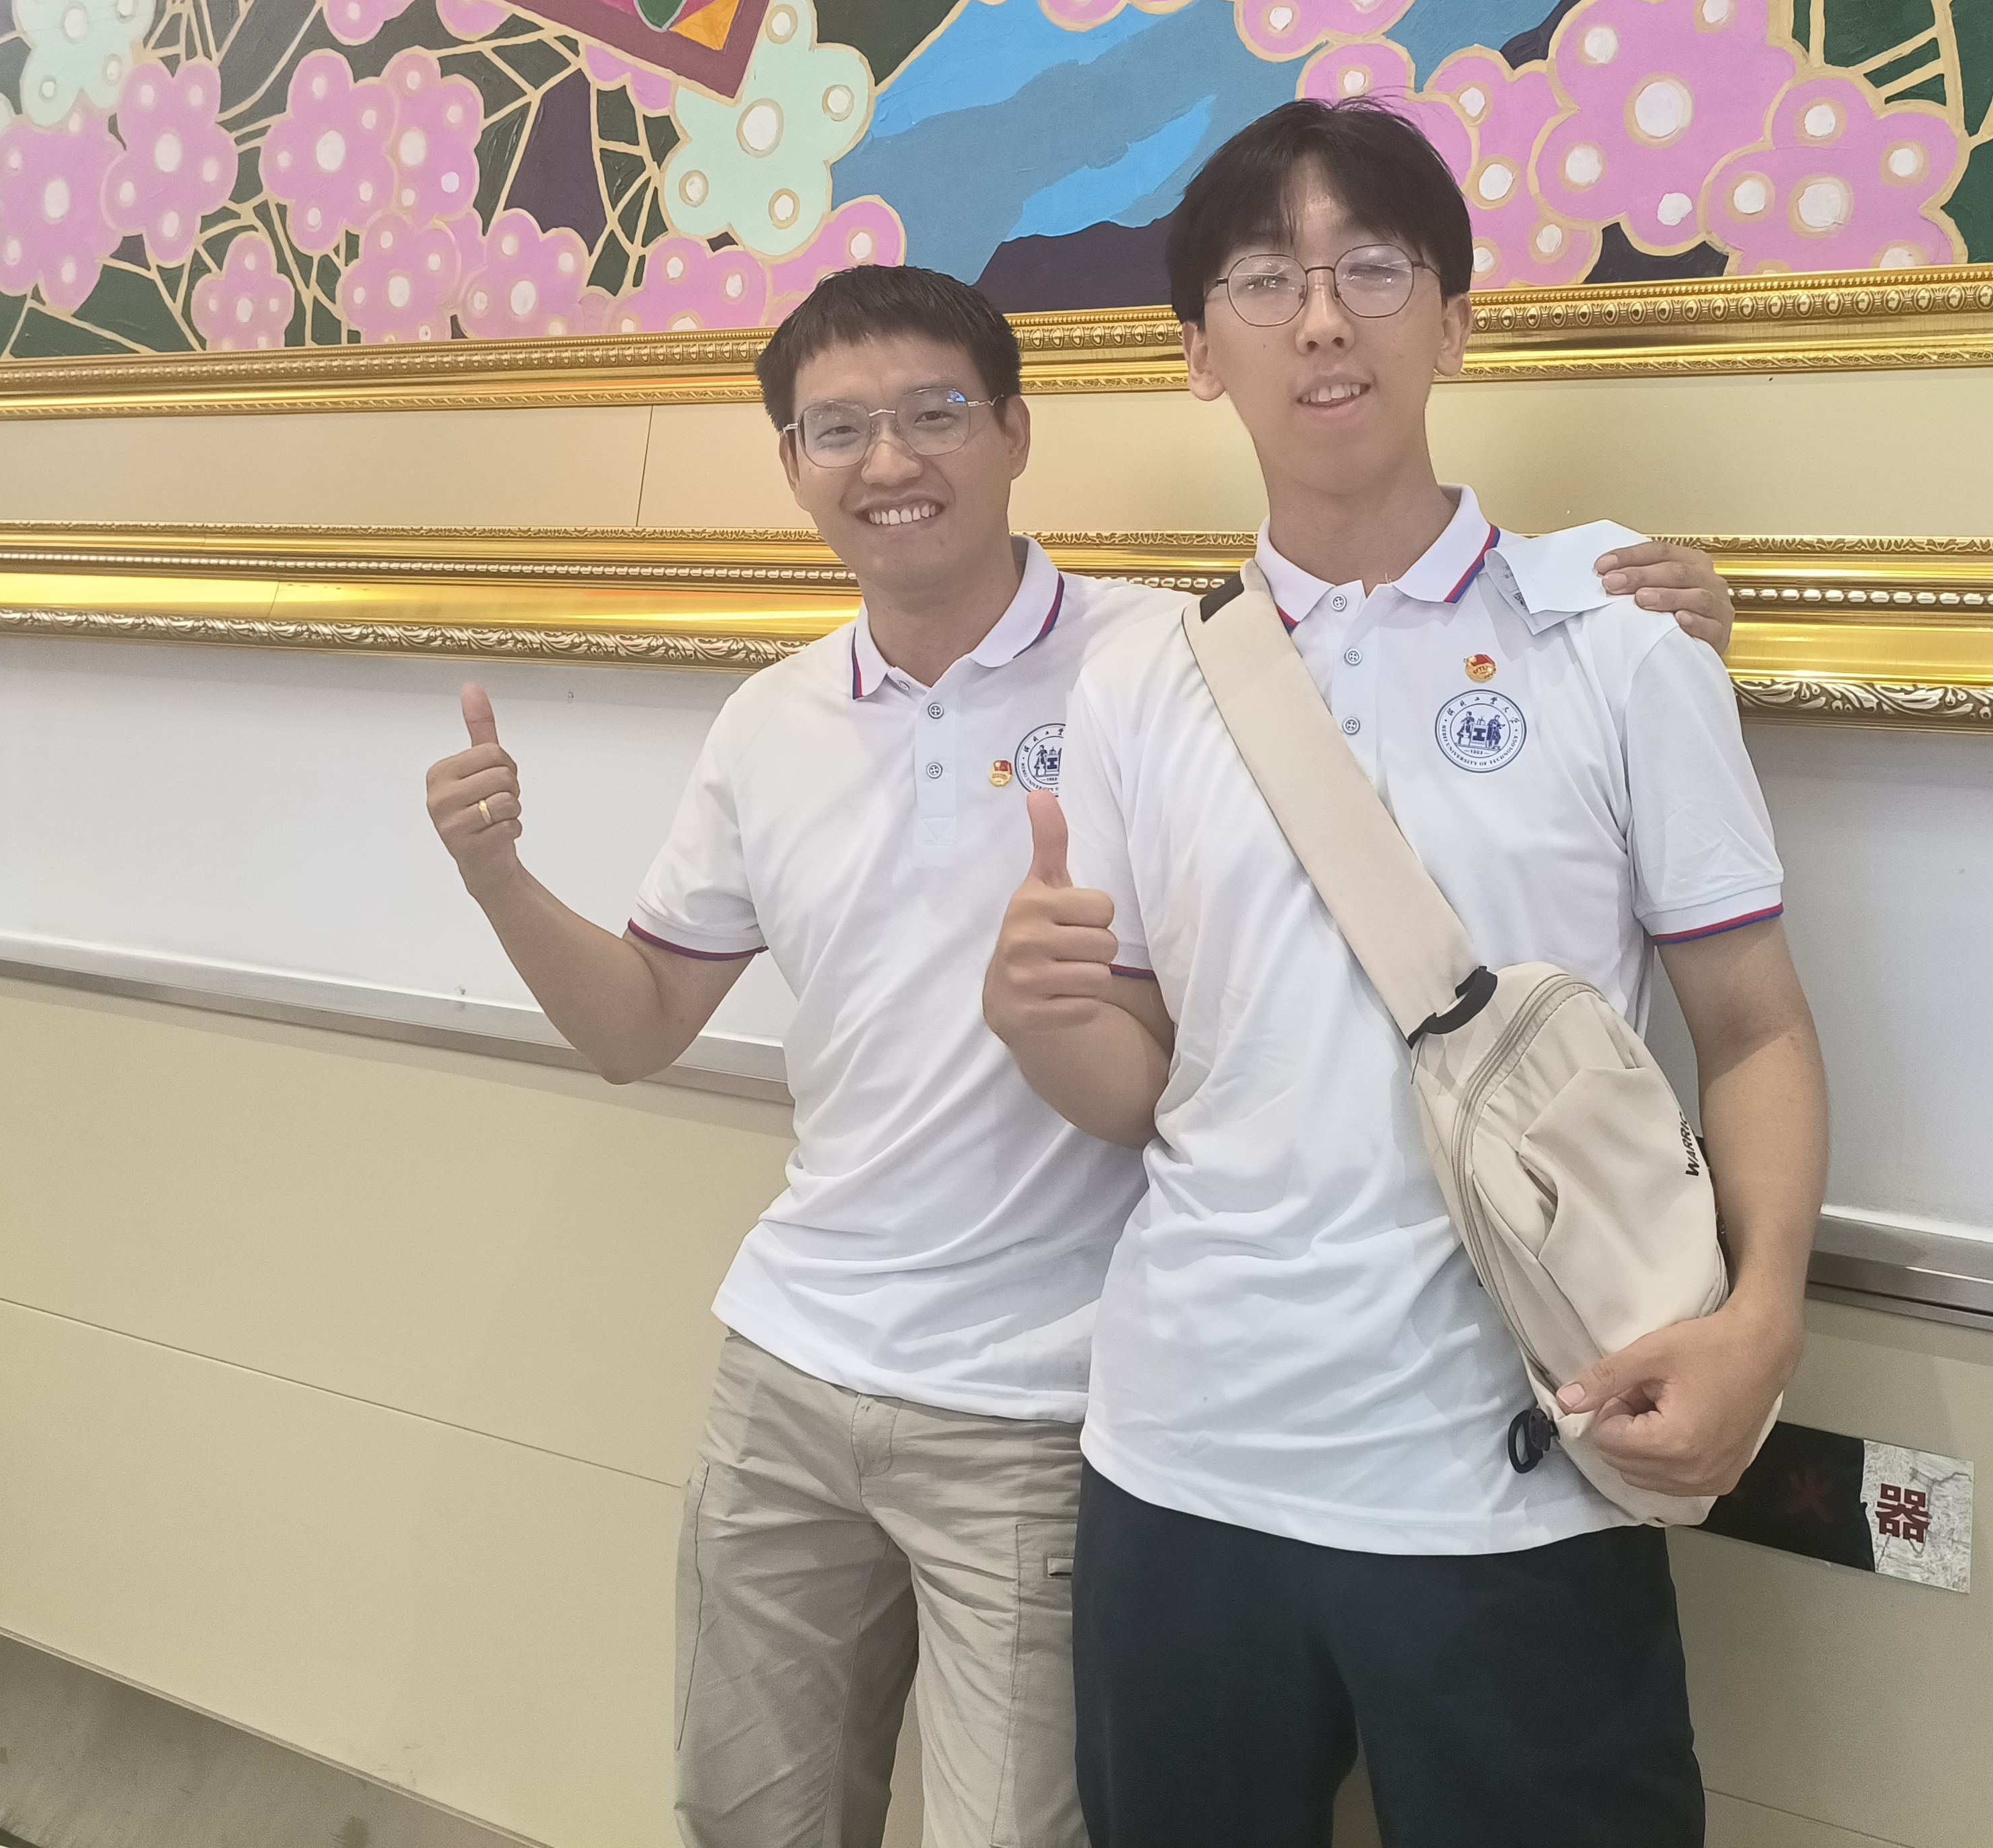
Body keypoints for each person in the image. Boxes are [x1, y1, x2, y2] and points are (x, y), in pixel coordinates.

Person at [420, 262, 1738, 1848]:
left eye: (934, 413)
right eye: (837, 430)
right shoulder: (768, 721)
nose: (888, 461)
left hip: (1046, 1403)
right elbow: (636, 1026)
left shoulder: (1170, 663)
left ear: (1014, 432)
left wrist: (1649, 608)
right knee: (744, 1815)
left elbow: (1397, 649)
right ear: (789, 464)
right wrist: (497, 878)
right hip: (785, 1368)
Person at [984, 103, 1831, 1848]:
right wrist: (1041, 1020)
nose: (1320, 319)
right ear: (1199, 351)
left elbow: (1752, 1027)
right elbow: (1144, 1089)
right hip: (1183, 1464)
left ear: (1450, 321)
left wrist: (1760, 1326)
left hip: (1518, 1467)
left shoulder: (1615, 636)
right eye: (1263, 280)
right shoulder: (1144, 681)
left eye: (1371, 269)